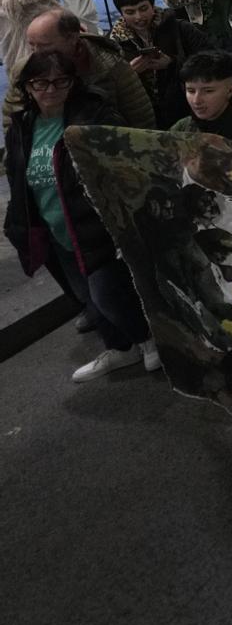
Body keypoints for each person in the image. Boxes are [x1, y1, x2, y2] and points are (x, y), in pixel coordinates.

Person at [3, 49, 159, 381]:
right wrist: (18, 224)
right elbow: (18, 178)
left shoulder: (94, 117)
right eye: (40, 83)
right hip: (54, 228)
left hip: (95, 227)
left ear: (73, 83)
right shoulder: (22, 126)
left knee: (108, 293)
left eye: (60, 81)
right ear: (27, 87)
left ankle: (149, 340)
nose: (50, 90)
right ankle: (121, 348)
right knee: (87, 297)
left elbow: (125, 167)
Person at [16, 8, 156, 127]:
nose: (36, 52)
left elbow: (140, 115)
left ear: (72, 38)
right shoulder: (25, 68)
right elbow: (14, 117)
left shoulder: (111, 66)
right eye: (31, 45)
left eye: (45, 45)